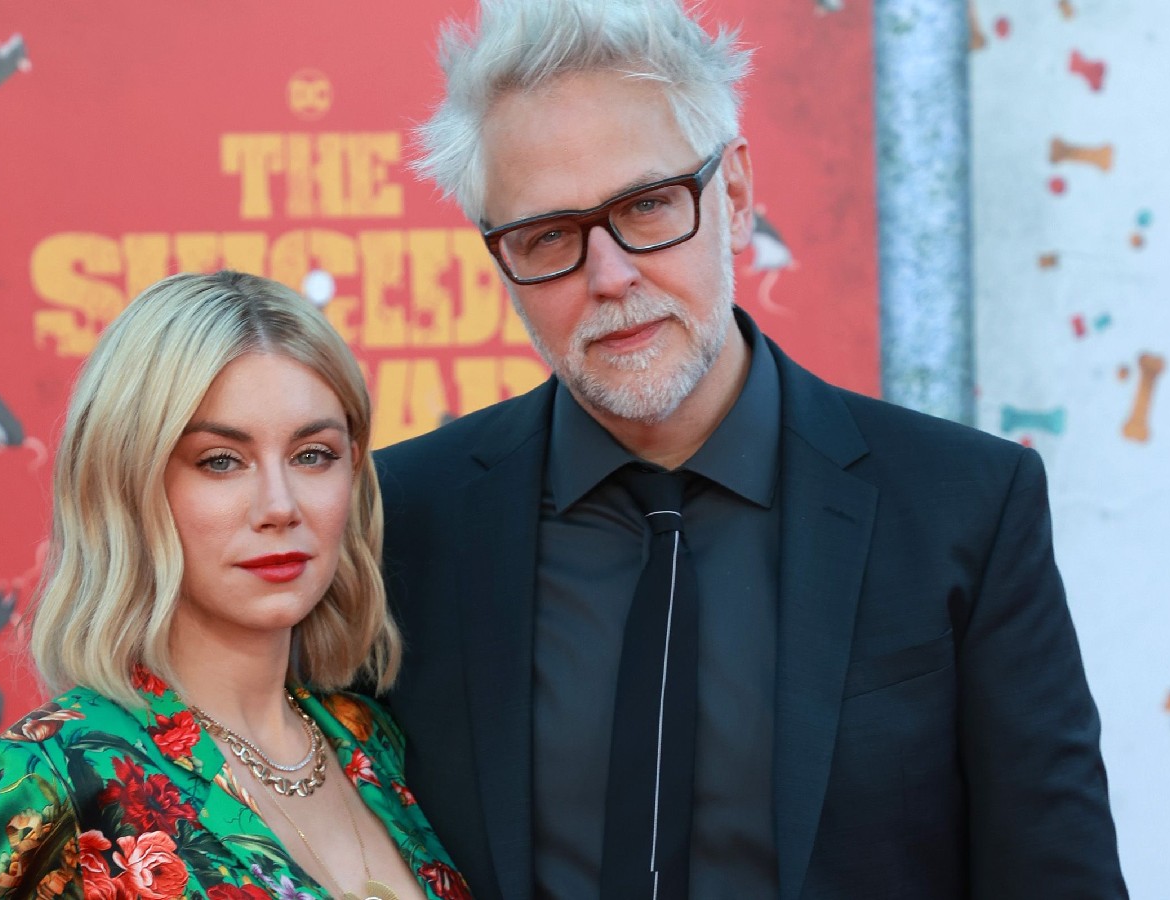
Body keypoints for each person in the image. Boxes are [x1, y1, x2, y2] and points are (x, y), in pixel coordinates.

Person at [375, 1, 1126, 898]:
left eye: (648, 206)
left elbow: (1055, 874)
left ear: (732, 192)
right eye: (549, 237)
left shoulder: (964, 503)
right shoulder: (402, 519)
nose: (610, 276)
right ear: (502, 261)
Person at [0, 271, 472, 900]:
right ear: (127, 485)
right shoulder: (50, 778)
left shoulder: (372, 739)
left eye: (312, 454)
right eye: (221, 461)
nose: (280, 505)